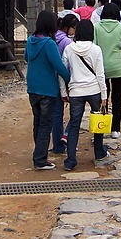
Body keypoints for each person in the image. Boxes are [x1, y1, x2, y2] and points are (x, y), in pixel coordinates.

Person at [25, 11, 71, 170]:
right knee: (46, 124)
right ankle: (39, 159)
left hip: (32, 88)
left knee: (37, 122)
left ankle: (39, 153)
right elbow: (59, 66)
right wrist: (69, 79)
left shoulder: (30, 40)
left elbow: (26, 58)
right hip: (48, 90)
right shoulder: (49, 44)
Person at [60, 20, 107, 170]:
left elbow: (62, 72)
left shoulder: (69, 49)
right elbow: (100, 74)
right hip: (94, 90)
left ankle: (71, 159)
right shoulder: (96, 49)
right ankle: (99, 152)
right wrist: (104, 95)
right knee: (98, 121)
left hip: (76, 91)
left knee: (74, 124)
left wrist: (63, 91)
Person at [93, 3, 121, 139]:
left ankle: (102, 126)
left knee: (103, 98)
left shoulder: (96, 27)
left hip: (101, 67)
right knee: (117, 98)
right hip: (118, 67)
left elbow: (94, 46)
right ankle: (115, 129)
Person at [52, 14, 78, 154]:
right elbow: (67, 66)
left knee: (55, 114)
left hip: (50, 78)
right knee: (73, 113)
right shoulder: (67, 43)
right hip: (63, 78)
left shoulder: (53, 37)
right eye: (74, 28)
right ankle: (65, 138)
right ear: (68, 27)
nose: (75, 31)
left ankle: (57, 144)